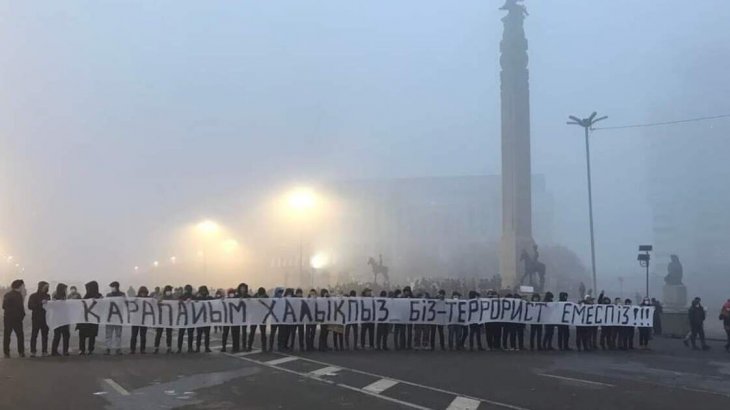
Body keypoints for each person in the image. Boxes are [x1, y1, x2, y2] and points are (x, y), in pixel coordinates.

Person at [77, 281, 102, 355]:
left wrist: (99, 301)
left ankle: (91, 349)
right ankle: (82, 349)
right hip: (84, 319)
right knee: (82, 335)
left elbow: (102, 306)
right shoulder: (86, 296)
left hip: (93, 319)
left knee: (92, 335)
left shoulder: (99, 296)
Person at [3, 279, 26, 358]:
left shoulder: (7, 295)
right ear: (19, 286)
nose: (24, 287)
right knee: (20, 335)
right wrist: (21, 315)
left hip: (8, 318)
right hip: (16, 319)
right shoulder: (18, 296)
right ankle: (21, 352)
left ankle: (6, 352)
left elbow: (4, 306)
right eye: (23, 286)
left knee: (7, 335)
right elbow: (20, 308)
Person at [28, 281, 50, 357]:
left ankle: (44, 351)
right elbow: (30, 306)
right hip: (36, 318)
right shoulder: (33, 296)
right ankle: (33, 351)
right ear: (41, 287)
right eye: (45, 287)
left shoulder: (48, 296)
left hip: (45, 318)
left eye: (47, 287)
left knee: (45, 335)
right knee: (34, 335)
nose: (47, 288)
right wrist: (41, 303)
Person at [50, 283, 70, 356]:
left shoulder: (65, 296)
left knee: (66, 335)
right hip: (58, 318)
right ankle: (54, 351)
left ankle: (65, 350)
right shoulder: (55, 296)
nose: (66, 290)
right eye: (65, 289)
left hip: (65, 318)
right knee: (57, 335)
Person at [105, 281, 125, 355]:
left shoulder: (122, 295)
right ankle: (108, 348)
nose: (112, 288)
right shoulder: (108, 295)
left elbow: (126, 303)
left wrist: (125, 299)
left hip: (118, 318)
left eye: (113, 287)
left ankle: (118, 349)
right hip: (110, 318)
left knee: (118, 335)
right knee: (108, 335)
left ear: (117, 287)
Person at [154, 285, 174, 354]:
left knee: (169, 334)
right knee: (159, 333)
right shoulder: (161, 297)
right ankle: (156, 347)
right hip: (161, 318)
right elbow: (156, 305)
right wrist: (158, 302)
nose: (169, 292)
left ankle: (169, 348)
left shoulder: (173, 298)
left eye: (170, 290)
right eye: (168, 290)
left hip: (169, 318)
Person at [129, 286, 149, 354]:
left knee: (143, 335)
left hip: (144, 320)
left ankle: (142, 349)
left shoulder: (148, 299)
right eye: (142, 293)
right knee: (134, 335)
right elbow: (130, 305)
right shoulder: (136, 298)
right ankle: (132, 349)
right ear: (140, 292)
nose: (143, 294)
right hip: (136, 319)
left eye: (144, 293)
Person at [177, 285, 195, 353]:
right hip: (189, 318)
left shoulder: (182, 296)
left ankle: (179, 348)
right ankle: (190, 348)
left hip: (183, 318)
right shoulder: (193, 296)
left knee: (181, 334)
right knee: (190, 334)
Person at [195, 286, 212, 353]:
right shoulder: (197, 298)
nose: (203, 292)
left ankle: (206, 347)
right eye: (202, 291)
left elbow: (217, 301)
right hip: (200, 319)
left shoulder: (209, 298)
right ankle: (198, 347)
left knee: (207, 334)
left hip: (207, 319)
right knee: (199, 334)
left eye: (204, 290)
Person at [221, 288, 237, 352]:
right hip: (227, 319)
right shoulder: (225, 299)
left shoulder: (236, 300)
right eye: (230, 293)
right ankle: (223, 346)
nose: (231, 294)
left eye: (232, 293)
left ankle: (234, 347)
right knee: (225, 333)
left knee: (234, 334)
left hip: (234, 319)